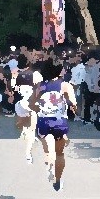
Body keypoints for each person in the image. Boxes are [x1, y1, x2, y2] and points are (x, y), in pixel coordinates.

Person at [30, 62, 77, 191]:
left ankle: (49, 164)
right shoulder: (66, 86)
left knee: (46, 148)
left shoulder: (40, 86)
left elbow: (32, 104)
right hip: (60, 121)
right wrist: (71, 108)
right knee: (60, 153)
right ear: (59, 71)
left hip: (44, 121)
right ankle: (58, 180)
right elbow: (74, 104)